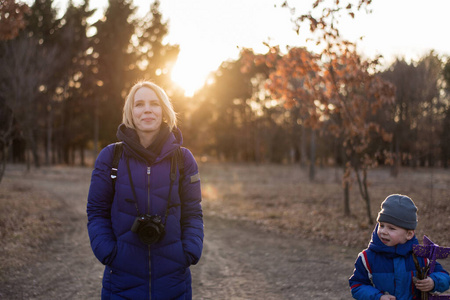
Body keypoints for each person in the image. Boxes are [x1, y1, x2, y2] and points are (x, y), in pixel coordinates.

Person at [87, 80, 204, 299]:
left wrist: (188, 251)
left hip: (173, 279)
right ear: (130, 112)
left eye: (154, 103)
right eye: (139, 104)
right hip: (122, 278)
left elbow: (193, 212)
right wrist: (109, 252)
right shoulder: (111, 157)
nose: (147, 109)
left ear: (164, 111)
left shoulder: (183, 159)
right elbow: (96, 212)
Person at [349, 194, 450, 300]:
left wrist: (433, 282)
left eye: (391, 228)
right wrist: (378, 297)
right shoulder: (367, 258)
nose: (383, 231)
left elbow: (445, 277)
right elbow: (357, 285)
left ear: (409, 234)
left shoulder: (422, 256)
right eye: (381, 225)